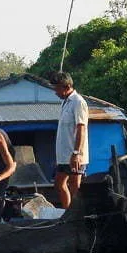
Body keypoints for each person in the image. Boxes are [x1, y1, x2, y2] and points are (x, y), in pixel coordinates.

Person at [49, 71, 89, 209]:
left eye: (57, 89)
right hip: (64, 156)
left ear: (66, 87)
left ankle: (77, 217)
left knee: (75, 186)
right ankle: (68, 213)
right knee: (59, 184)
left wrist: (77, 153)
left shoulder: (78, 102)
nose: (55, 93)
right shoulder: (65, 103)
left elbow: (81, 128)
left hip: (75, 155)